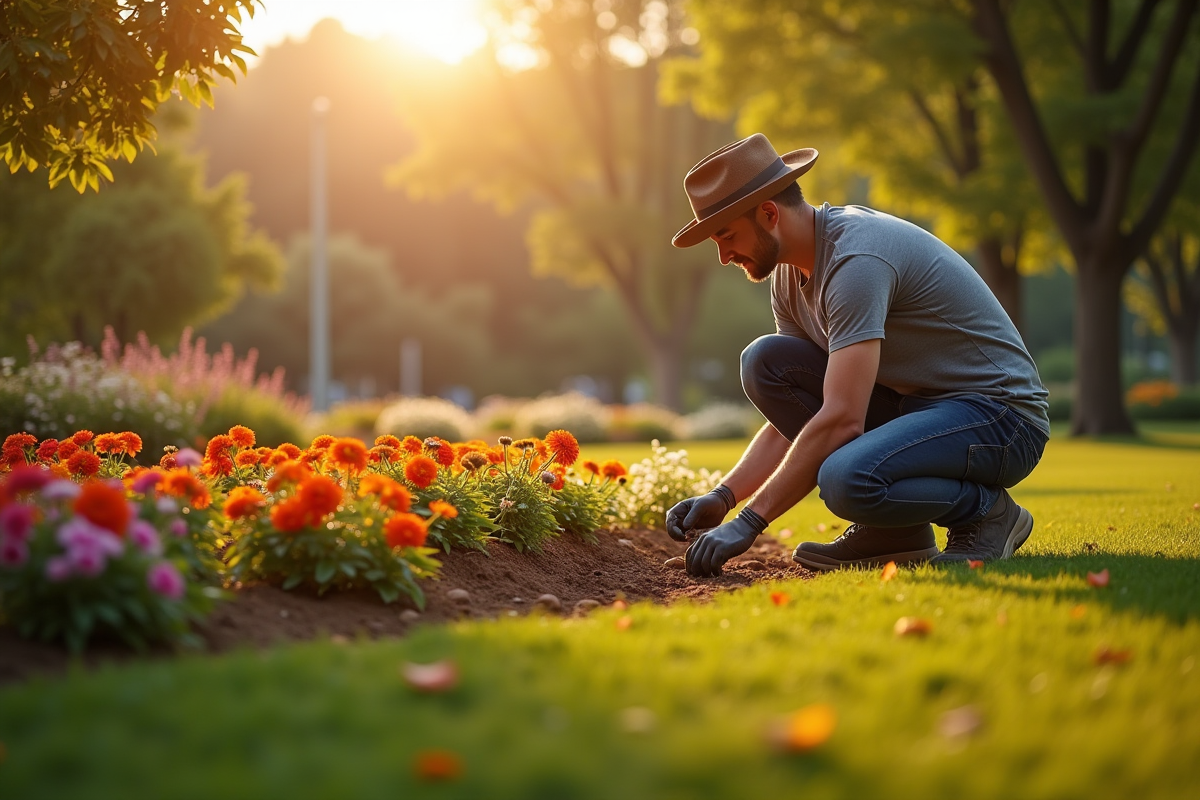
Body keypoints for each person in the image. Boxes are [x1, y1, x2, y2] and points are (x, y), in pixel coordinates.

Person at [666, 134, 1049, 578]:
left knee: (845, 479)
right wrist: (724, 495)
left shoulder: (856, 259)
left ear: (769, 214)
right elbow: (804, 416)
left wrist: (749, 523)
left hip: (1000, 416)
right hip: (920, 408)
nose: (723, 254)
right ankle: (896, 534)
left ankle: (988, 513)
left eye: (727, 235)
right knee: (765, 361)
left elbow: (843, 417)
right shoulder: (789, 279)